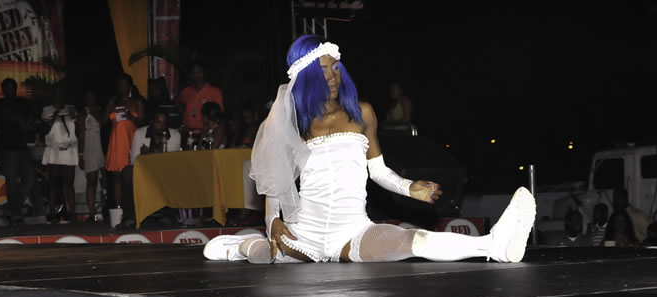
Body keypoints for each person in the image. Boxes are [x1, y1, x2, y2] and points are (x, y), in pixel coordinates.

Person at [204, 35, 535, 264]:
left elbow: (377, 170)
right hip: (303, 233)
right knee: (267, 257)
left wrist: (410, 187)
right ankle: (241, 246)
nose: (332, 77)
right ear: (305, 78)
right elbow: (276, 179)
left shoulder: (362, 113)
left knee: (412, 241)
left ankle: (494, 245)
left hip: (353, 231)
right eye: (322, 71)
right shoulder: (295, 122)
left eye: (335, 67)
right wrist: (273, 222)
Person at [0, 78, 42, 223]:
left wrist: (28, 124)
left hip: (21, 146)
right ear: (3, 90)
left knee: (29, 178)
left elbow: (32, 120)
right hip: (6, 148)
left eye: (13, 88)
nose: (11, 90)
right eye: (8, 88)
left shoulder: (22, 103)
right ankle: (15, 213)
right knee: (12, 182)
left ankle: (11, 208)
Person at [117, 109, 181, 228]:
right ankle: (129, 216)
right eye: (158, 122)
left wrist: (149, 154)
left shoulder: (174, 136)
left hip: (165, 173)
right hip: (144, 172)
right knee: (127, 172)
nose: (161, 126)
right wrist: (145, 157)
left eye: (164, 123)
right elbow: (134, 161)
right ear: (151, 122)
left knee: (175, 173)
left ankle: (169, 214)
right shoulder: (140, 133)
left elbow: (170, 162)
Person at [103, 74, 146, 211]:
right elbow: (103, 122)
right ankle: (119, 208)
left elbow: (143, 124)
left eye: (125, 85)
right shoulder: (114, 103)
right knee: (116, 176)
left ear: (130, 87)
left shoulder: (137, 102)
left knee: (131, 175)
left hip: (131, 141)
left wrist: (130, 117)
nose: (122, 88)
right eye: (119, 85)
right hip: (116, 142)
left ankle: (134, 208)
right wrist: (109, 104)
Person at [40, 88, 78, 222]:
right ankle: (52, 213)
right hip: (54, 148)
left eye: (61, 94)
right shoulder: (47, 110)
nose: (59, 96)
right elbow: (44, 129)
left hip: (69, 148)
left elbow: (77, 126)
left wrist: (74, 116)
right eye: (56, 94)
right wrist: (56, 114)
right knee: (53, 183)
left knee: (69, 183)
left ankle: (73, 214)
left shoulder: (71, 108)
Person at [77, 89, 105, 221]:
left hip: (103, 147)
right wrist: (80, 155)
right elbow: (81, 136)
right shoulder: (83, 115)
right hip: (90, 148)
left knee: (106, 179)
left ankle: (108, 209)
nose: (90, 99)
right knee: (92, 181)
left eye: (91, 96)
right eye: (87, 97)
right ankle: (92, 212)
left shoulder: (101, 111)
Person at [176, 62, 223, 133]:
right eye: (194, 72)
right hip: (187, 132)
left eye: (200, 72)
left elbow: (219, 115)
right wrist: (185, 113)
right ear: (191, 75)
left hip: (205, 133)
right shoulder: (186, 91)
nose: (197, 75)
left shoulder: (215, 92)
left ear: (204, 73)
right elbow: (178, 101)